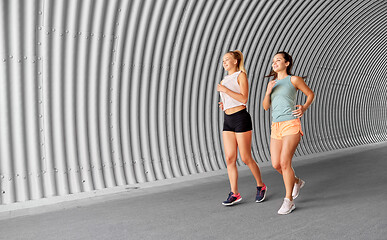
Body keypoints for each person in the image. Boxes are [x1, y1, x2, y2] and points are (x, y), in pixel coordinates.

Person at [263, 51, 315, 214]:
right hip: (276, 126)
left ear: (287, 63)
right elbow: (265, 107)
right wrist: (268, 91)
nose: (274, 63)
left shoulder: (294, 79)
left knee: (285, 162)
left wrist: (304, 107)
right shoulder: (272, 83)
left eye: (278, 60)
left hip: (291, 124)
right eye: (273, 61)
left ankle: (288, 201)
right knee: (276, 164)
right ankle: (296, 181)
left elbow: (310, 94)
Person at [217, 50, 266, 206]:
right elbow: (232, 99)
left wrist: (225, 91)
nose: (224, 62)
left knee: (245, 157)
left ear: (235, 61)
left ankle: (261, 185)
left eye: (227, 60)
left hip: (240, 118)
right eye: (223, 60)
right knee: (230, 158)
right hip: (228, 119)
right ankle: (235, 193)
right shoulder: (225, 79)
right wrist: (224, 104)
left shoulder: (241, 75)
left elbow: (244, 98)